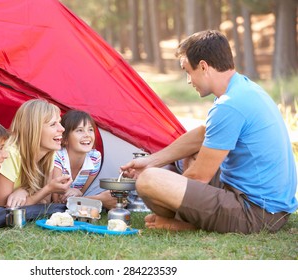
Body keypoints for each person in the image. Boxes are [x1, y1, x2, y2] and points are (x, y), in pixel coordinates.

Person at [120, 30, 298, 234]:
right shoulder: (243, 88)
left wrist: (159, 185)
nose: (188, 80)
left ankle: (189, 223)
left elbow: (198, 177)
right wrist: (151, 161)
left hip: (258, 213)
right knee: (180, 161)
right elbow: (205, 133)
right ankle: (196, 216)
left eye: (188, 71)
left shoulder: (229, 105)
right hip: (269, 205)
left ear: (203, 66)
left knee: (148, 181)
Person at [0, 99, 72, 209]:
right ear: (34, 129)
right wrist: (47, 189)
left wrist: (25, 190)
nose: (62, 129)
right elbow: (1, 206)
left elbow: (44, 201)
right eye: (53, 124)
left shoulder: (50, 153)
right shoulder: (10, 153)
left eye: (60, 122)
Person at [52, 110, 117, 209]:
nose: (87, 135)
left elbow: (81, 193)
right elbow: (56, 201)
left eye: (90, 130)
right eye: (79, 130)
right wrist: (100, 199)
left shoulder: (94, 158)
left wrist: (78, 192)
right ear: (65, 139)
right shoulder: (57, 156)